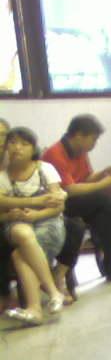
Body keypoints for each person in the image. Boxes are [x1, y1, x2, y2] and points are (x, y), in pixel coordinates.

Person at [42, 115, 111, 284]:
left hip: (77, 201)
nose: (94, 144)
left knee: (104, 218)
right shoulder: (55, 153)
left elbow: (86, 178)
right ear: (79, 136)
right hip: (57, 203)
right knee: (102, 199)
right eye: (93, 139)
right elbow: (69, 189)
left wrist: (103, 173)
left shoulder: (80, 151)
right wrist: (102, 184)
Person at [0, 127, 66, 325]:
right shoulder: (3, 176)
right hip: (17, 223)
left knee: (19, 255)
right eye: (12, 142)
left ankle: (34, 310)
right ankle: (54, 292)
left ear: (33, 148)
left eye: (24, 143)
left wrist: (37, 214)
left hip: (48, 222)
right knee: (21, 233)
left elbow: (58, 206)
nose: (17, 148)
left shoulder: (45, 169)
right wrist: (18, 210)